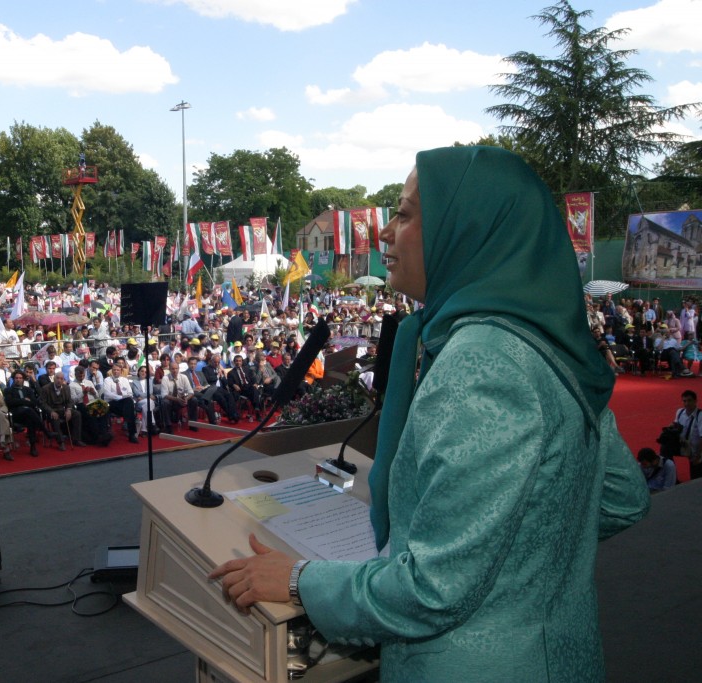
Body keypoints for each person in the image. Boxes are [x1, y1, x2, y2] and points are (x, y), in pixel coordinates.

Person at [209, 146, 650, 682]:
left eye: (406, 213)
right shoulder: (546, 343)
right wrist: (521, 556)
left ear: (464, 229)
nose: (385, 232)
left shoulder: (480, 363)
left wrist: (300, 580)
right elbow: (622, 498)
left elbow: (435, 590)